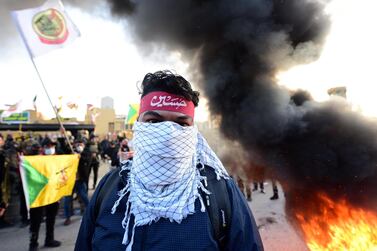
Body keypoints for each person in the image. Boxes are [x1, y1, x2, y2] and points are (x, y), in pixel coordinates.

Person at [75, 70, 264, 251]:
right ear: (138, 125)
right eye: (154, 122)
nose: (168, 133)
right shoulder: (110, 188)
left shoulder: (220, 192)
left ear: (192, 131)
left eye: (181, 124)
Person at [28, 138, 61, 251]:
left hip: (53, 194)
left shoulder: (57, 159)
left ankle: (49, 239)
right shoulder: (36, 159)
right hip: (39, 194)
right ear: (42, 148)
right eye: (48, 146)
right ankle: (33, 243)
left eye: (52, 146)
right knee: (36, 220)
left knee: (51, 218)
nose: (51, 148)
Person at [64, 139, 90, 226]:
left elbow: (87, 161)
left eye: (81, 144)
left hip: (80, 180)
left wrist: (80, 157)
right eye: (77, 144)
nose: (79, 146)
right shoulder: (71, 151)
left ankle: (90, 211)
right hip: (70, 180)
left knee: (84, 196)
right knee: (67, 199)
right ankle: (68, 217)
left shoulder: (86, 152)